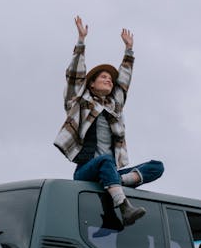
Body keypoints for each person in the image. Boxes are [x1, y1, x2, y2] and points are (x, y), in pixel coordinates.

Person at [53, 15, 164, 225]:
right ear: (92, 84)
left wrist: (129, 51)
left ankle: (117, 181)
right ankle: (124, 207)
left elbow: (124, 83)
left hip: (110, 172)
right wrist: (81, 41)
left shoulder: (115, 107)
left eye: (110, 80)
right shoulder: (79, 102)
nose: (109, 81)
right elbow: (74, 77)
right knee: (105, 160)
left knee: (157, 166)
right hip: (86, 171)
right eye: (103, 77)